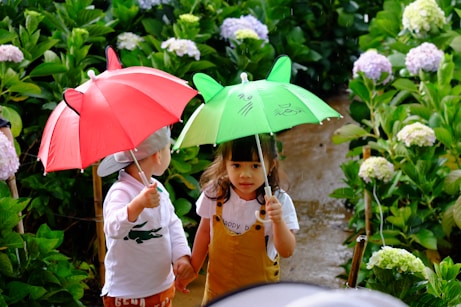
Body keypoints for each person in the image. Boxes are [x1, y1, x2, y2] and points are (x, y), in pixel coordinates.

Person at [186, 134, 299, 305]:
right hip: (217, 294)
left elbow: (287, 251)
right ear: (225, 165)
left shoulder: (279, 201)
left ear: (271, 166)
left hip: (259, 298)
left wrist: (278, 221)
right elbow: (204, 232)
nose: (245, 174)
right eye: (236, 165)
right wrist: (193, 268)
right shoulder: (214, 193)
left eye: (255, 166)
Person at [97, 126, 195, 307]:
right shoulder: (120, 191)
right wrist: (137, 204)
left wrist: (181, 255)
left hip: (161, 287)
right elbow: (112, 228)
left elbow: (172, 223)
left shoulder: (157, 188)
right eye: (168, 149)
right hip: (128, 294)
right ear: (157, 155)